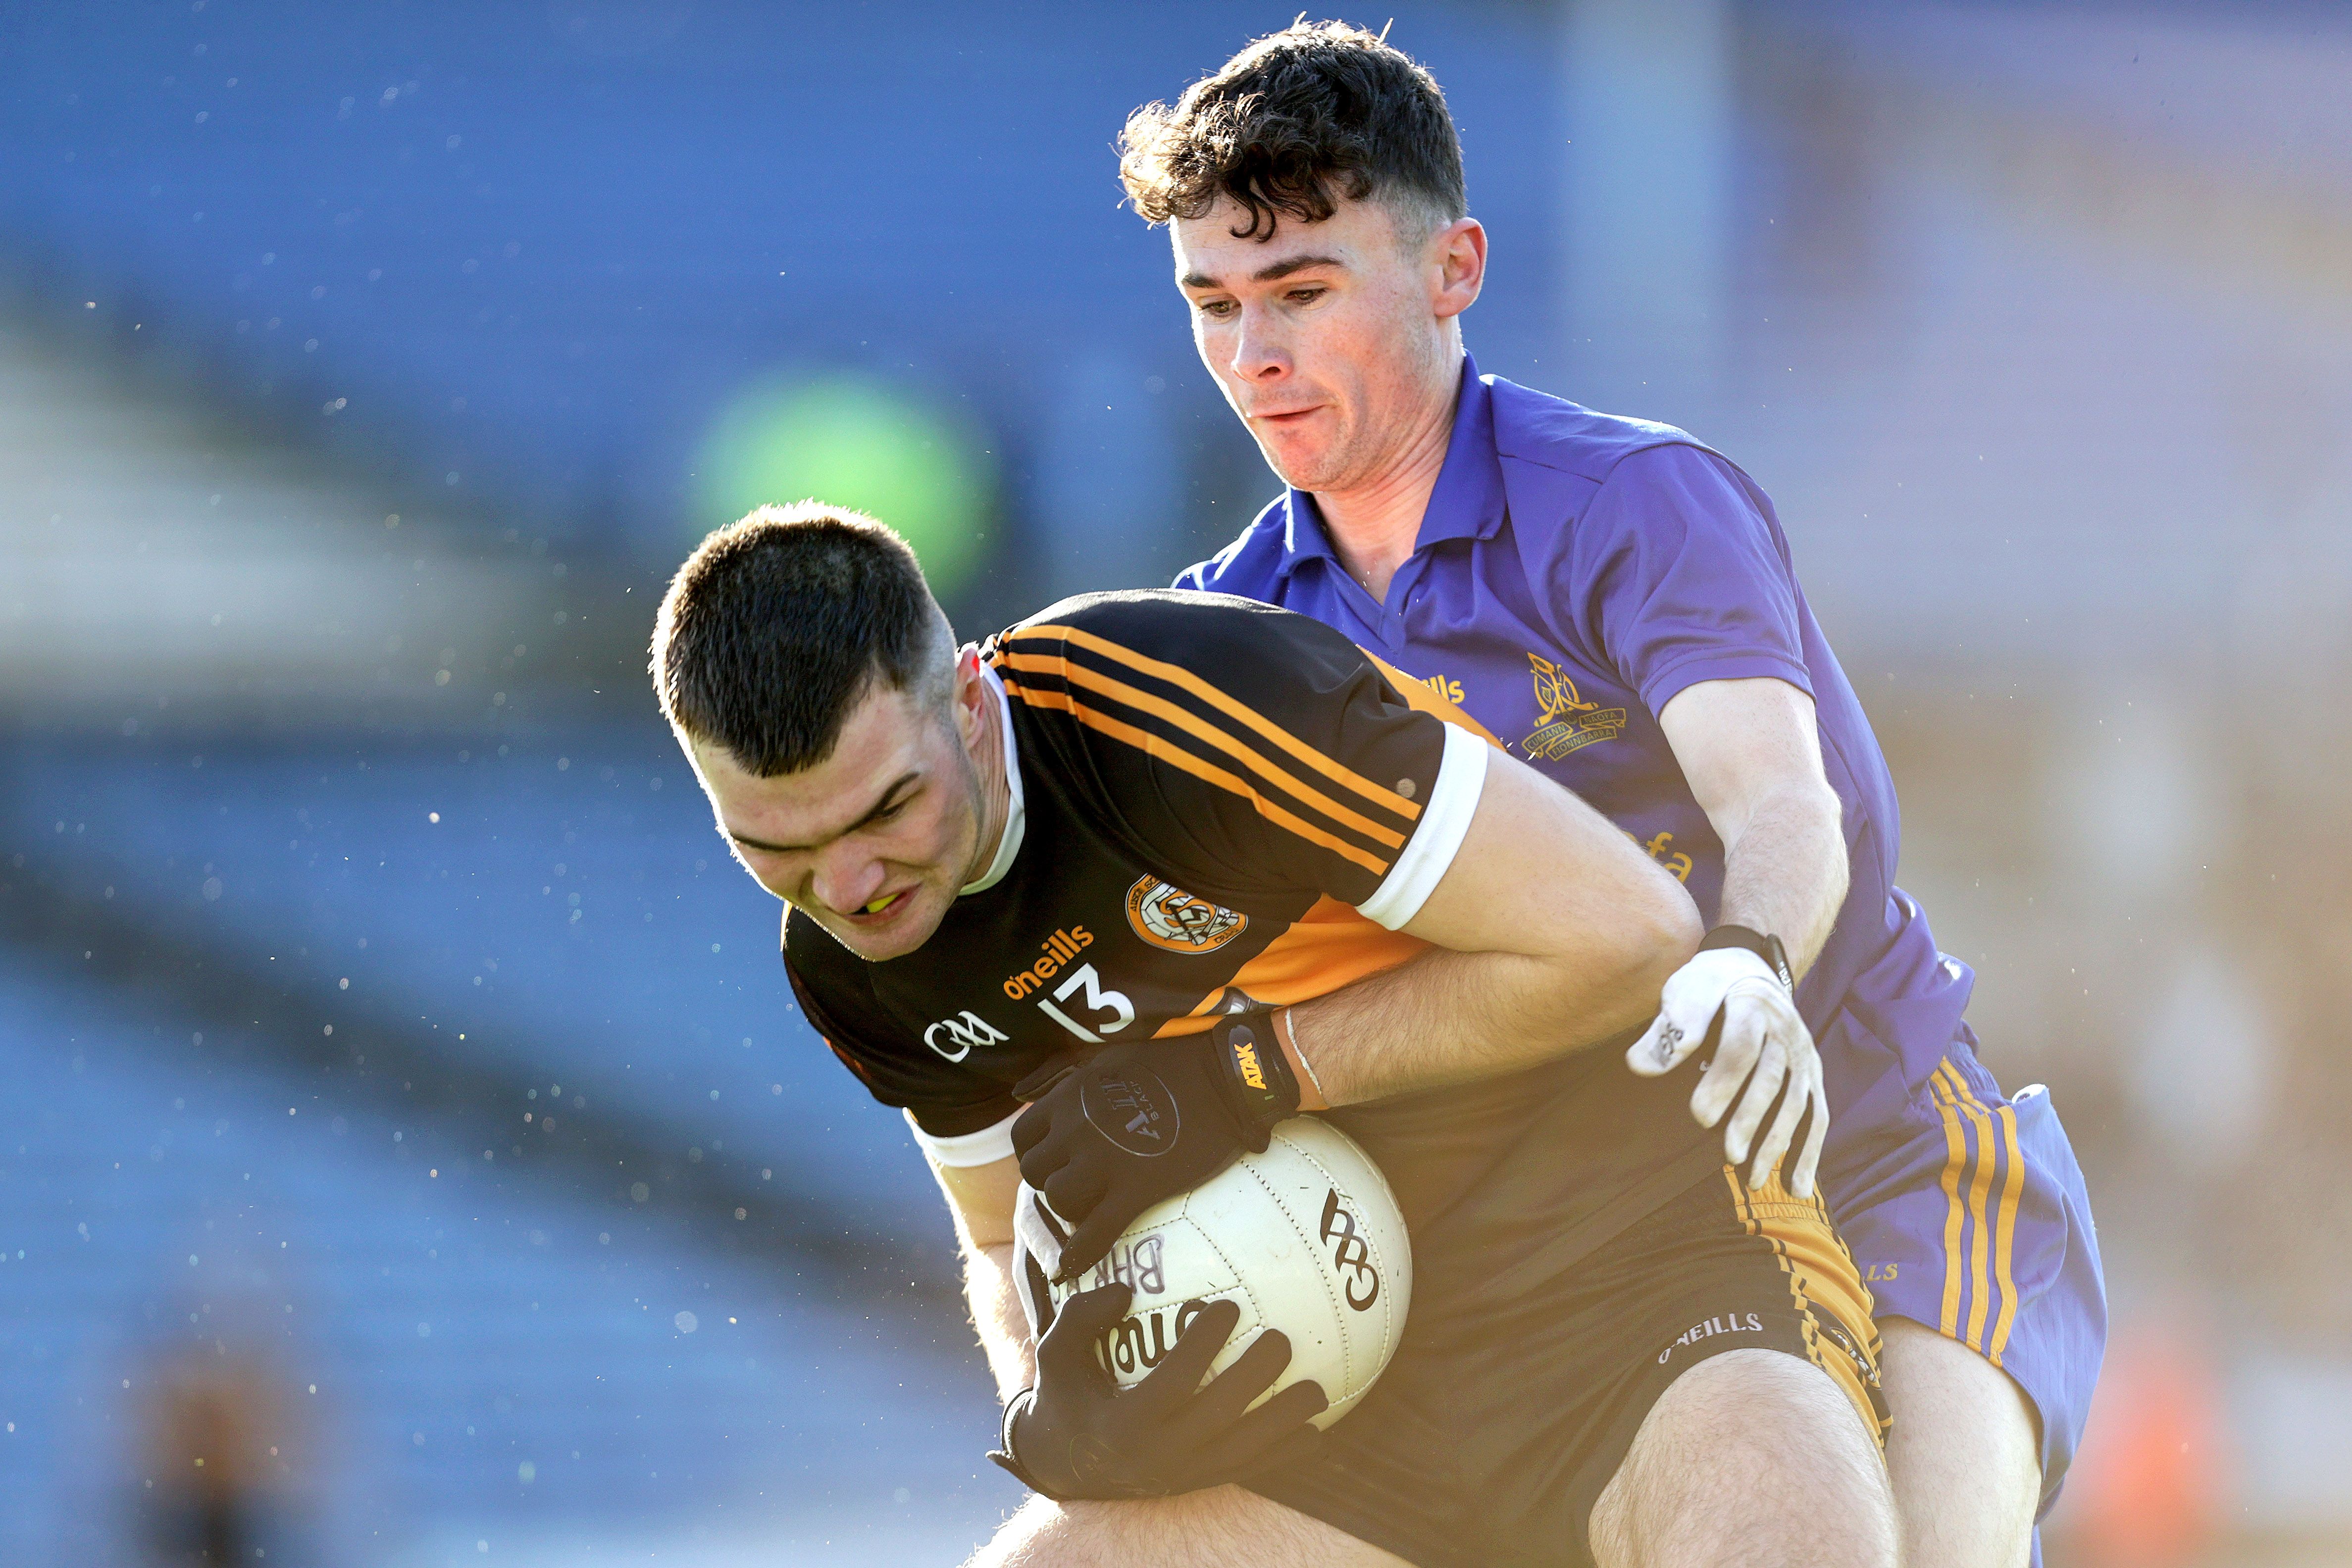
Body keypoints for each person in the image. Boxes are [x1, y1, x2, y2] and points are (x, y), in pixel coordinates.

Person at [1142, 22, 2107, 1568]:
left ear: (1452, 268)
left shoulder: (1632, 503)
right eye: (1213, 303)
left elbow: (1782, 806)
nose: (1252, 355)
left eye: (1303, 291)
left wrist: (1744, 966)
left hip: (1865, 1140)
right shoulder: (1229, 639)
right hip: (1583, 1241)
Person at [651, 503, 1897, 1567]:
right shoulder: (851, 971)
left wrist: (1252, 1071)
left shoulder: (1177, 706)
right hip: (1331, 1410)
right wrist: (1053, 1408)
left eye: (890, 808)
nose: (854, 883)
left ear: (969, 704)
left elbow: (1631, 939)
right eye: (776, 848)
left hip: (1637, 1268)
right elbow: (999, 1239)